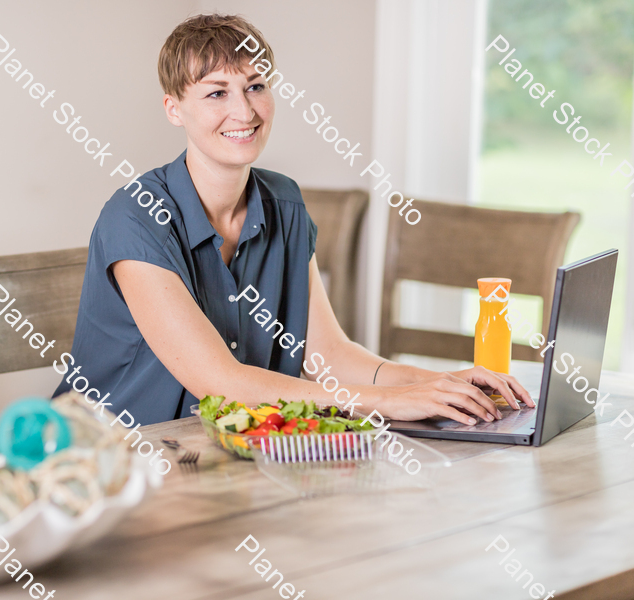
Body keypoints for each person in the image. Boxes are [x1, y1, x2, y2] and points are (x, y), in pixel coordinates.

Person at [54, 13, 534, 426]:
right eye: (216, 93)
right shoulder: (136, 216)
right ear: (174, 109)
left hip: (226, 455)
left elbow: (328, 356)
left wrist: (443, 382)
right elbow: (221, 384)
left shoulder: (283, 203)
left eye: (256, 86)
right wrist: (389, 403)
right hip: (114, 465)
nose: (244, 110)